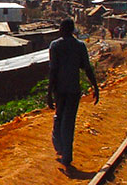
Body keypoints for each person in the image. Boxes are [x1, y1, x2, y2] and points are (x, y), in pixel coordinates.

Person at [46, 19, 99, 170]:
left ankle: (62, 150)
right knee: (69, 121)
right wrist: (95, 86)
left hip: (60, 89)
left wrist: (49, 92)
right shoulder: (80, 46)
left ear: (62, 29)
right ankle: (65, 154)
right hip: (74, 89)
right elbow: (87, 68)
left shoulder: (55, 45)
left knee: (59, 116)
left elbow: (53, 71)